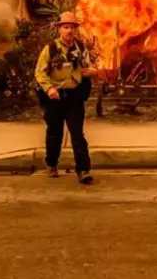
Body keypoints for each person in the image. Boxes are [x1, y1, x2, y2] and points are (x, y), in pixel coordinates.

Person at [35, 11, 98, 184]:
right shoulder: (51, 49)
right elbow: (40, 73)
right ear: (60, 29)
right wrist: (49, 89)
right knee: (54, 133)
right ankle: (52, 164)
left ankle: (83, 170)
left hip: (74, 97)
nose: (69, 31)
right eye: (66, 27)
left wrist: (92, 71)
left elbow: (89, 67)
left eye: (72, 27)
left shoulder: (81, 48)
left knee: (77, 134)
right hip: (55, 98)